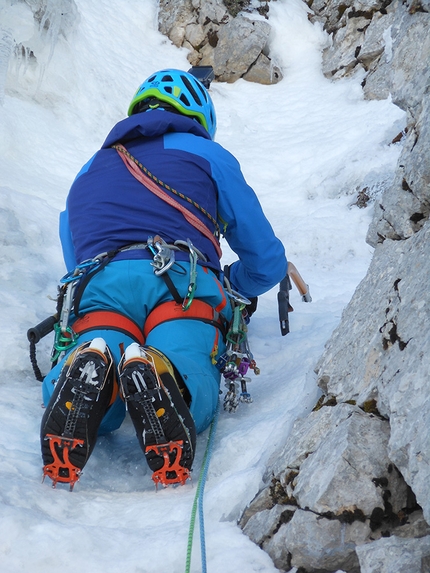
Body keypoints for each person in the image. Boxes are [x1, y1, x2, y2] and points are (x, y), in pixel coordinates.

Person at [40, 68, 287, 490]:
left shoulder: (89, 169)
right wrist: (235, 286)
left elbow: (74, 255)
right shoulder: (207, 154)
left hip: (100, 285)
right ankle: (163, 376)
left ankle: (91, 370)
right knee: (187, 361)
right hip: (180, 282)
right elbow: (265, 259)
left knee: (99, 345)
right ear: (199, 116)